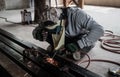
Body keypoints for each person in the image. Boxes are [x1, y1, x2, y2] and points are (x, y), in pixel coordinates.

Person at [33, 7, 104, 60]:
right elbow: (36, 30)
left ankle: (72, 48)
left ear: (62, 18)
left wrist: (79, 44)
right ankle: (58, 47)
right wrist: (37, 34)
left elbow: (99, 30)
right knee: (44, 33)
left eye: (55, 27)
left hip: (79, 37)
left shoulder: (78, 15)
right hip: (65, 36)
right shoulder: (47, 18)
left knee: (74, 57)